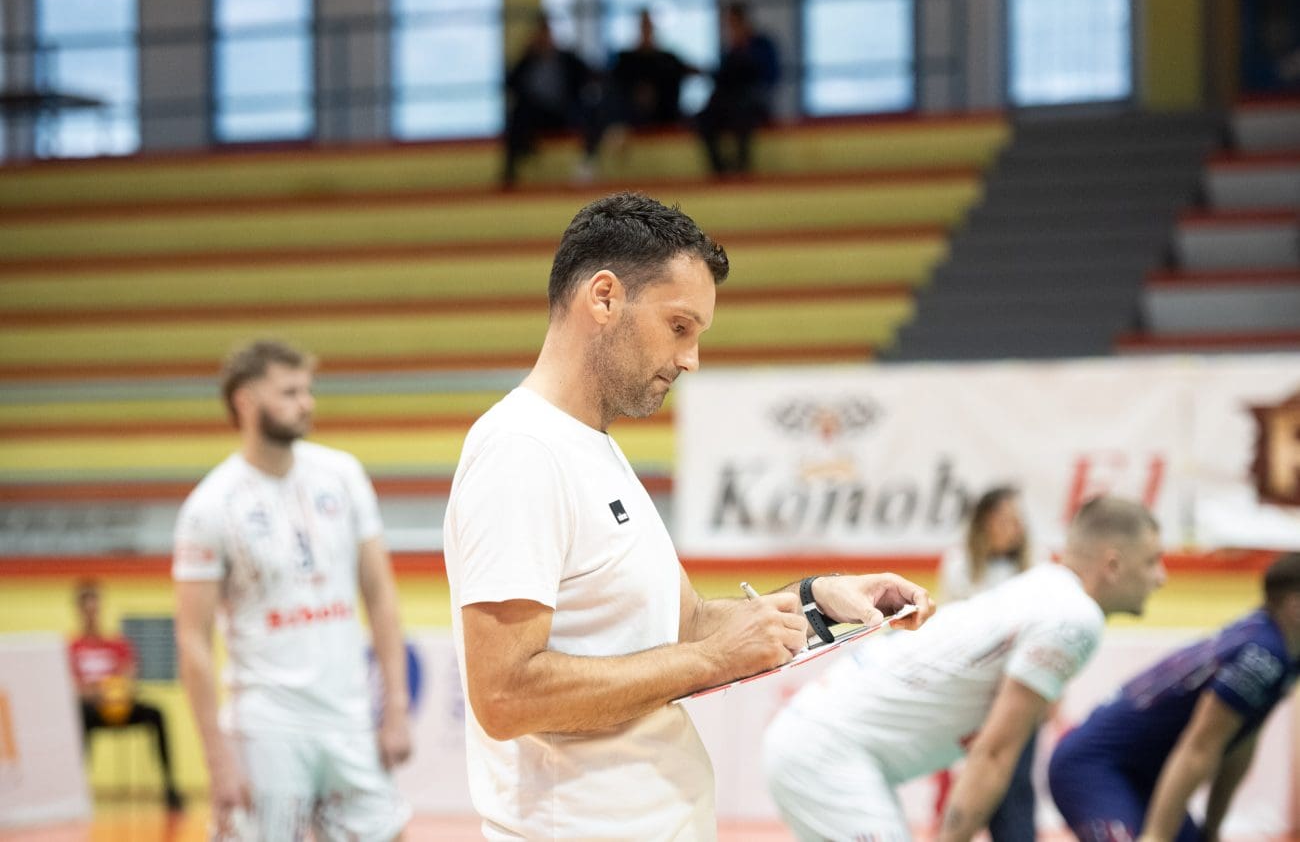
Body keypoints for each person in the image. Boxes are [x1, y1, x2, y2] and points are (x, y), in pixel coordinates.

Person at [442, 191, 935, 840]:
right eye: (679, 327)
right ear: (604, 297)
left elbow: (689, 625)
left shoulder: (590, 447)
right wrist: (710, 662)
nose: (690, 359)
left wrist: (819, 602)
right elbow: (505, 697)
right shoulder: (521, 451)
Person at [763, 496, 1168, 842]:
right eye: (1152, 562)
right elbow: (993, 755)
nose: (1161, 578)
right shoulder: (1076, 618)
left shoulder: (1047, 583)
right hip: (826, 753)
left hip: (816, 736)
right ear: (1113, 565)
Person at [173, 339, 412, 841]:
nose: (307, 403)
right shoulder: (209, 506)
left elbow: (381, 596)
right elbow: (193, 640)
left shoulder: (342, 475)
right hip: (267, 730)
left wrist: (395, 707)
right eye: (289, 392)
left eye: (308, 390)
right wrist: (218, 760)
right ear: (244, 401)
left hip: (350, 721)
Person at [1048, 551, 1300, 842]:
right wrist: (1157, 835)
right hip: (1093, 768)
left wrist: (1212, 830)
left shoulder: (1279, 648)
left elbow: (1242, 742)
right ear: (1295, 607)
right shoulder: (1263, 657)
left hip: (1143, 777)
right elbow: (1199, 748)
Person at [933, 486, 1036, 842]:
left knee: (1016, 781)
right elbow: (947, 629)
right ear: (985, 522)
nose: (1016, 527)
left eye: (1019, 520)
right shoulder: (959, 566)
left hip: (1021, 688)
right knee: (969, 780)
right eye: (1007, 519)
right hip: (974, 692)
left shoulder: (1035, 566)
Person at [68, 580, 184, 811]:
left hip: (120, 705)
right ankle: (76, 790)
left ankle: (170, 788)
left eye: (95, 607)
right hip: (92, 711)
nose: (92, 613)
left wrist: (113, 690)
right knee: (78, 717)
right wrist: (99, 691)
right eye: (87, 608)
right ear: (79, 610)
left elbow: (129, 677)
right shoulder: (72, 647)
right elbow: (73, 687)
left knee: (156, 713)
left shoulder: (117, 644)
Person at [503, 13, 600, 186]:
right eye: (539, 34)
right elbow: (510, 84)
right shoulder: (528, 61)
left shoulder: (567, 58)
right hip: (536, 115)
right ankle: (511, 172)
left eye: (546, 33)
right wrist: (526, 55)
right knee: (519, 113)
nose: (543, 38)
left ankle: (588, 161)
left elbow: (590, 75)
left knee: (590, 109)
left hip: (565, 111)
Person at [696, 0, 780, 175]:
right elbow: (722, 80)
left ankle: (742, 169)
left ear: (745, 21)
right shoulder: (730, 52)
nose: (732, 29)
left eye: (734, 23)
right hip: (728, 103)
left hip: (752, 102)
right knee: (703, 119)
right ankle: (720, 171)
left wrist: (746, 53)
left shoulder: (762, 45)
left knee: (742, 116)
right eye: (730, 24)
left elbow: (770, 76)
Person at [608, 9, 698, 130]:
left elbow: (687, 71)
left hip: (666, 124)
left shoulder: (668, 60)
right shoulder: (625, 61)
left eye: (649, 25)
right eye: (644, 24)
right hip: (632, 127)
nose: (647, 29)